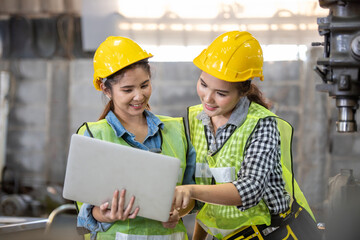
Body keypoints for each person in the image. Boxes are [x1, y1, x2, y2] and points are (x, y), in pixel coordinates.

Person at [172, 31, 321, 240]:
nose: (208, 98)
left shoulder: (261, 124)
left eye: (221, 93)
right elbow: (209, 201)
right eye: (203, 84)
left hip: (274, 234)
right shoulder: (198, 119)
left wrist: (191, 190)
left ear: (242, 91)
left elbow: (249, 189)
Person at [75, 36, 196, 240]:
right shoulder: (92, 136)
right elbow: (84, 210)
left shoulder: (176, 130)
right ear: (106, 90)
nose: (139, 96)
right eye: (127, 90)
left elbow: (191, 194)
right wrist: (103, 215)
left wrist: (178, 213)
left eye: (144, 85)